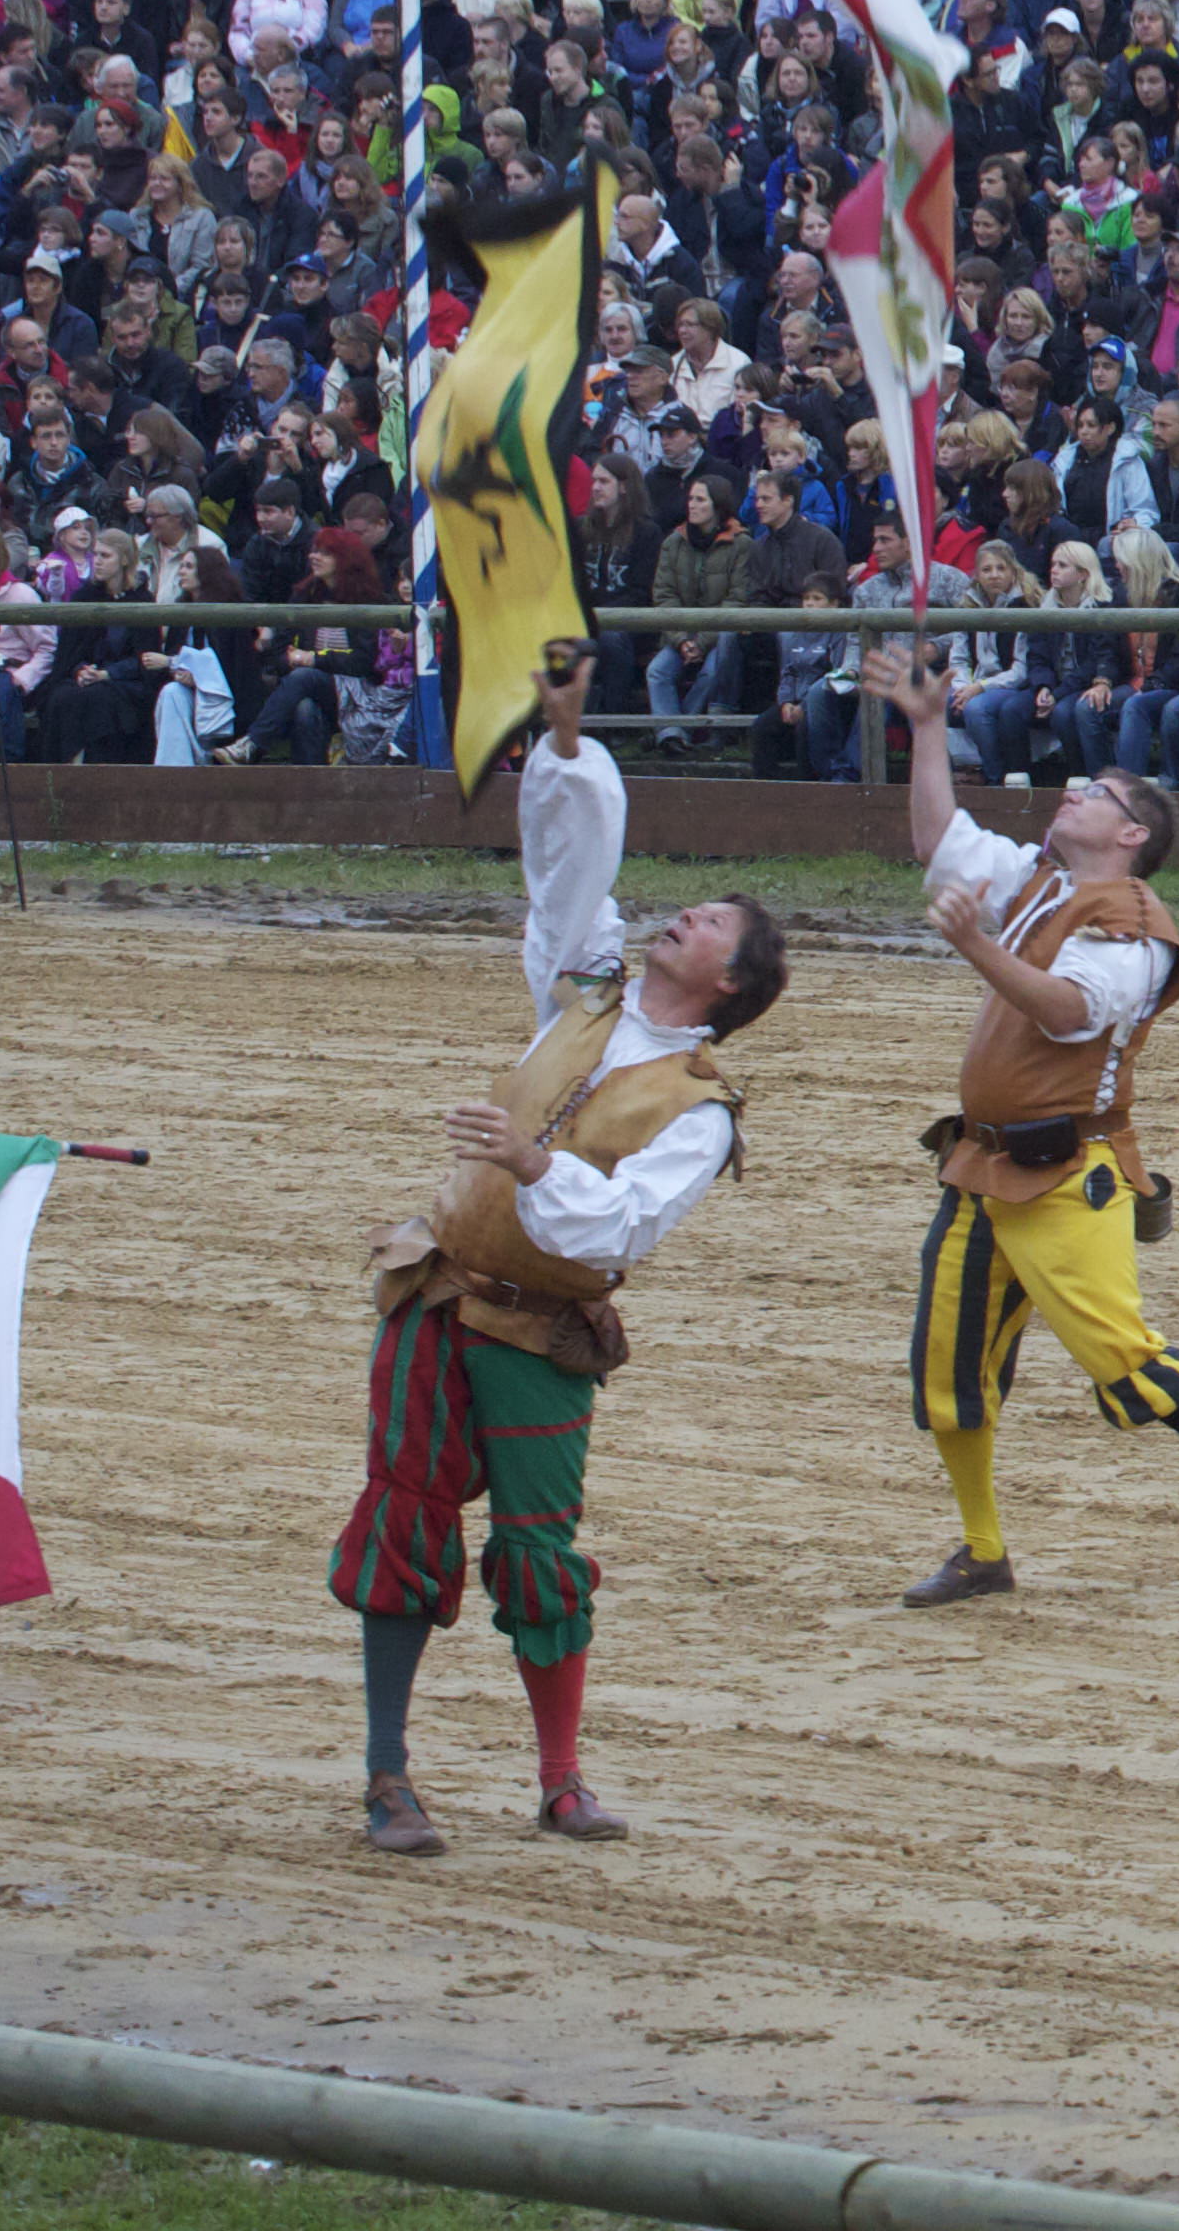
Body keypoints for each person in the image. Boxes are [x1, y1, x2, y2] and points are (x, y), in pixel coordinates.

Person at [328, 651, 790, 1855]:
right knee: (403, 1522)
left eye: (709, 923)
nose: (683, 915)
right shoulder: (580, 989)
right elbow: (567, 869)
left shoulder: (703, 1109)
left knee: (537, 1557)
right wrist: (569, 738)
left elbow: (626, 1225)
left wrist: (533, 1164)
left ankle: (561, 1780)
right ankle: (387, 1776)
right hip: (437, 1292)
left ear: (727, 982)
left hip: (539, 1330)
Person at [858, 637, 1179, 1602]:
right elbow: (937, 840)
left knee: (1125, 1362)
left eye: (1094, 792)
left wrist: (976, 947)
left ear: (1132, 832)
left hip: (1069, 1178)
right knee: (949, 1374)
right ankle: (983, 1551)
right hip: (980, 1169)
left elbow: (1067, 1013)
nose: (1072, 790)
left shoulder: (1132, 929)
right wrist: (927, 728)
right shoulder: (1043, 882)